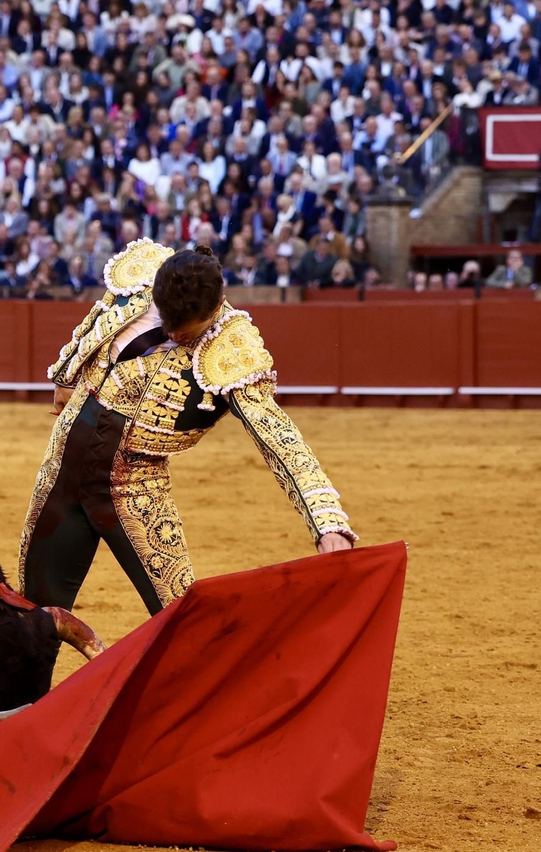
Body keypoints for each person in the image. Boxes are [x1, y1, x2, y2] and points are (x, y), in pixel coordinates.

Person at [19, 240, 356, 616]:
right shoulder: (143, 276)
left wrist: (327, 521)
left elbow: (279, 438)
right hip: (62, 467)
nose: (174, 334)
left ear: (217, 304)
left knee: (182, 622)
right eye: (167, 321)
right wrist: (66, 374)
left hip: (134, 488)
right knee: (34, 617)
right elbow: (98, 317)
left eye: (186, 331)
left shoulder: (233, 349)